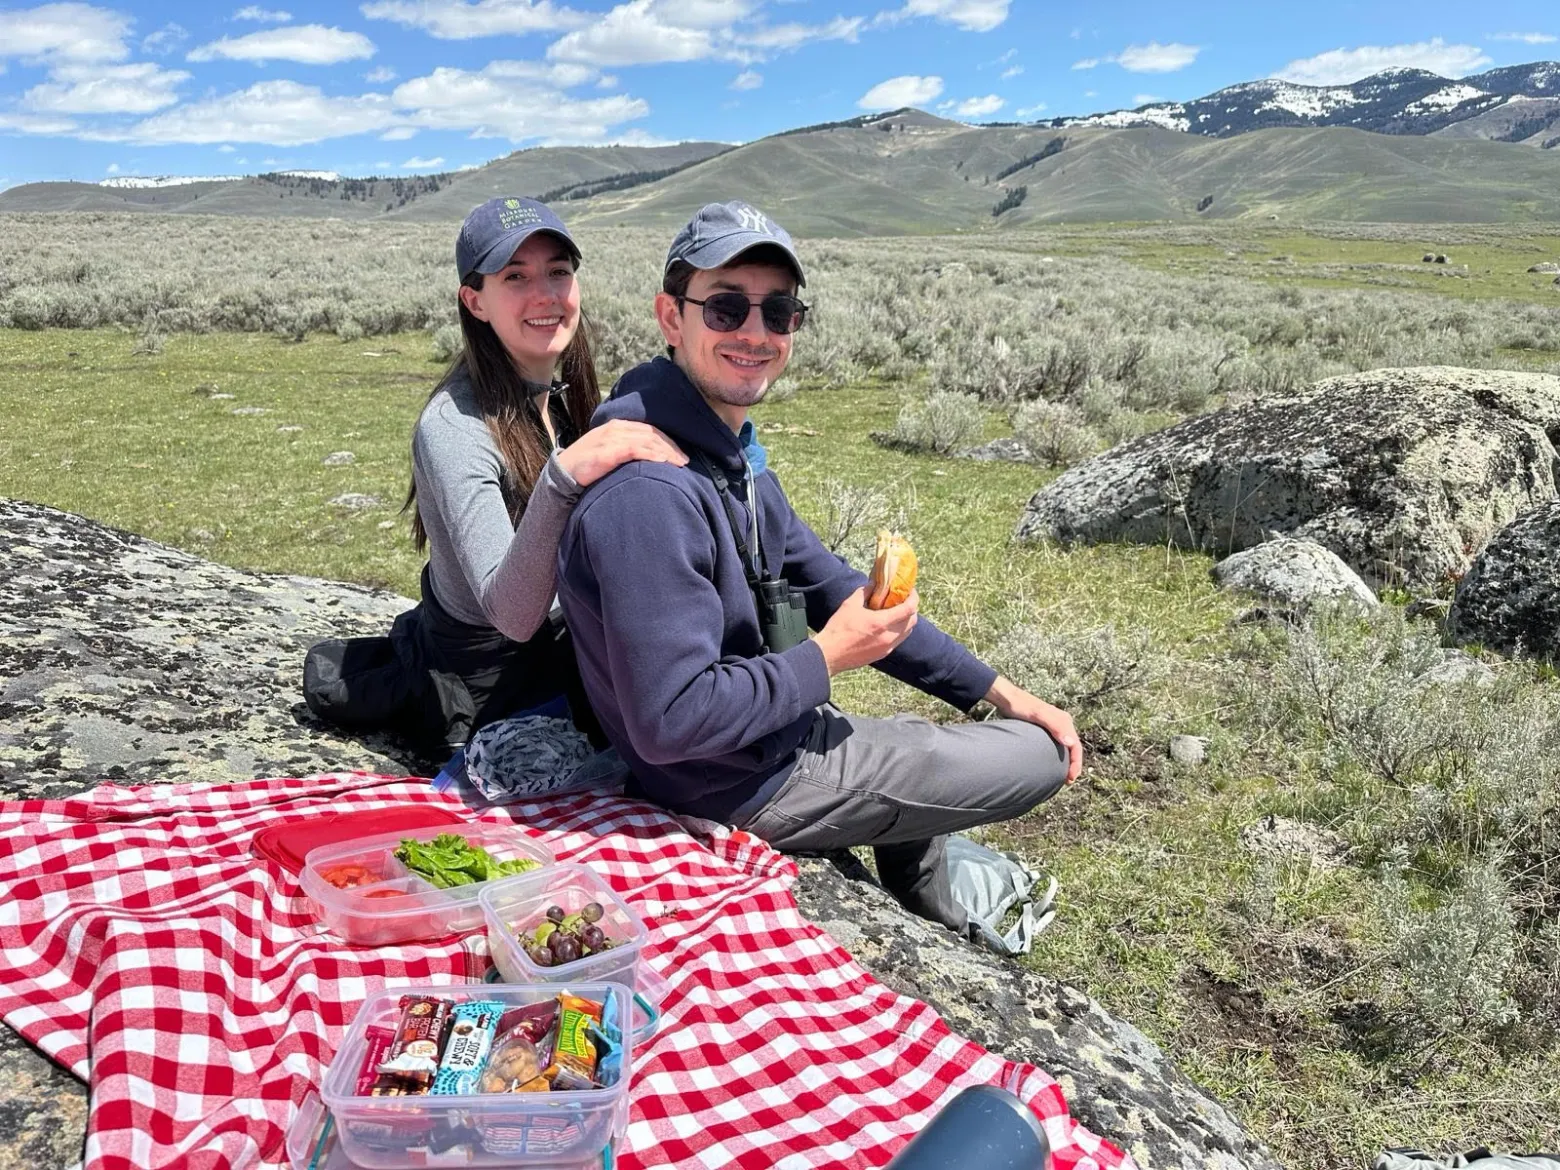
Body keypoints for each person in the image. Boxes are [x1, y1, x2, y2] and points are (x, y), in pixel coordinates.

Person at [555, 201, 1083, 932]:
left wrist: (999, 691)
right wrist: (827, 657)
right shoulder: (650, 491)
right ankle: (925, 885)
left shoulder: (726, 455)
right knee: (1039, 759)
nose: (756, 332)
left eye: (779, 312)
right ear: (671, 318)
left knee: (1004, 729)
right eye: (727, 307)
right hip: (732, 781)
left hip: (765, 735)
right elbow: (668, 722)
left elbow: (830, 582)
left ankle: (928, 899)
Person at [303, 197, 685, 755]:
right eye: (515, 277)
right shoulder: (454, 427)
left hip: (566, 643)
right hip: (495, 685)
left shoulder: (561, 388)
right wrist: (564, 475)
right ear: (474, 301)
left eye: (559, 272)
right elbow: (512, 616)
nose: (545, 295)